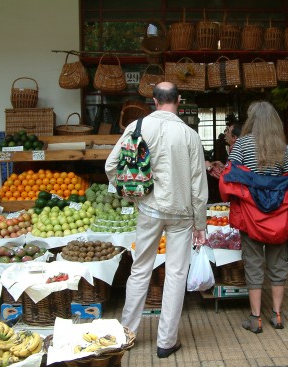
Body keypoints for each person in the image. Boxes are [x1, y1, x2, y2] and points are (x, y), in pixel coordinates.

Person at [105, 82, 208, 358]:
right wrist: (201, 223)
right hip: (182, 214)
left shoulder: (137, 127)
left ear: (153, 100)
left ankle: (126, 334)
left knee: (140, 269)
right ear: (179, 100)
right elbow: (198, 184)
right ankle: (166, 342)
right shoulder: (189, 134)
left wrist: (129, 193)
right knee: (175, 274)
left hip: (149, 209)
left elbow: (111, 166)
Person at [219, 101, 288, 334]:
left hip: (250, 215)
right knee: (278, 264)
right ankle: (277, 314)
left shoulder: (241, 144)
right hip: (278, 216)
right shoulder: (282, 147)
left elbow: (229, 176)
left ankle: (256, 318)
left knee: (253, 264)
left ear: (252, 120)